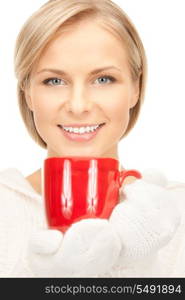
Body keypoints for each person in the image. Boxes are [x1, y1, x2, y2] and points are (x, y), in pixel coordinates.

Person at [0, 0, 185, 277]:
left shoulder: (173, 213)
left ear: (136, 87)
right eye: (54, 81)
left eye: (103, 79)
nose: (78, 105)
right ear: (27, 93)